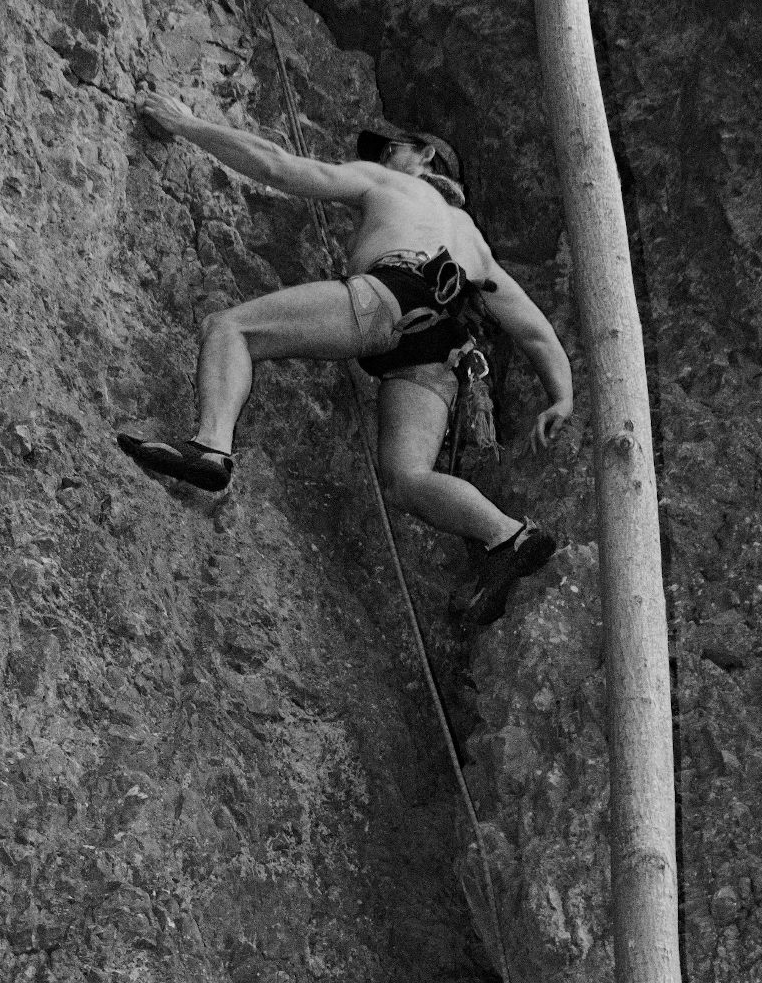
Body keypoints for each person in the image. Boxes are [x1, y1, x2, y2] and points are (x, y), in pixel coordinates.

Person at [117, 93, 572, 626]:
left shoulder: (393, 185)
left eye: (391, 149)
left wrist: (189, 125)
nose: (380, 158)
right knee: (406, 478)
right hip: (439, 347)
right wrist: (561, 394)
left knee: (230, 328)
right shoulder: (474, 243)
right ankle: (508, 535)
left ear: (425, 158)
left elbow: (279, 167)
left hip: (392, 296)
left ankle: (211, 450)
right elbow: (534, 332)